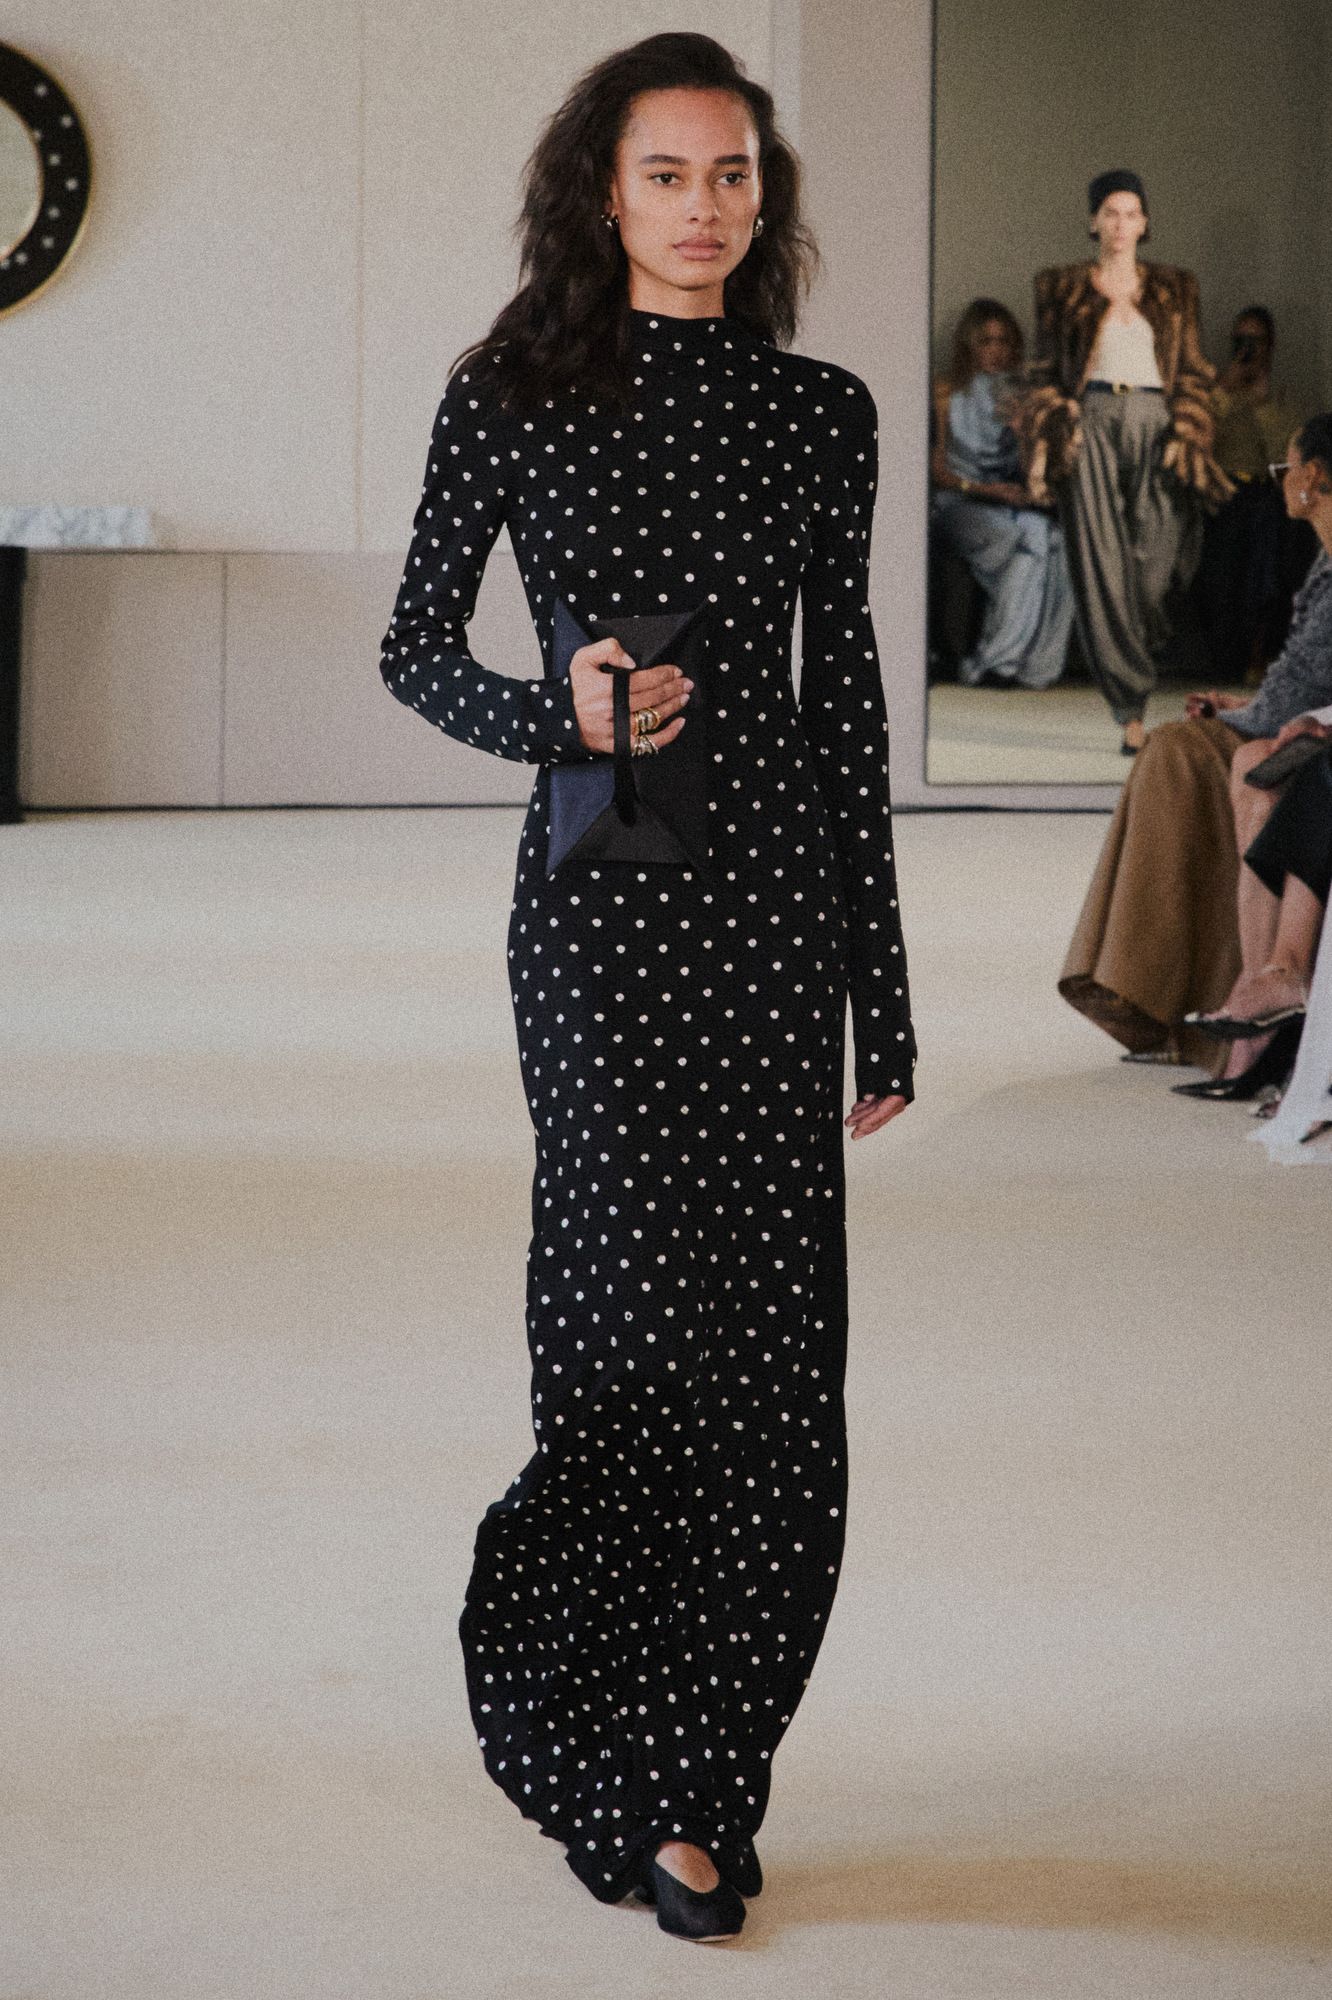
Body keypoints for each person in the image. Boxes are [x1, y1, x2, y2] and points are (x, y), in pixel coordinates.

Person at [377, 33, 916, 1943]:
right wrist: (563, 715)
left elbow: (843, 704)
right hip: (602, 919)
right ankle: (589, 1724)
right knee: (620, 1339)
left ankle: (696, 1778)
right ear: (599, 192)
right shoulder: (510, 393)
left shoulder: (820, 411)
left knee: (771, 1371)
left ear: (766, 197)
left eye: (734, 173)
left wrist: (881, 989)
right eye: (668, 172)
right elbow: (413, 651)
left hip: (771, 912)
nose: (705, 206)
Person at [1059, 417, 1332, 1066]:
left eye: (1284, 469)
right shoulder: (1324, 558)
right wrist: (1248, 707)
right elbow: (1303, 676)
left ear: (1313, 477)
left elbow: (1304, 683)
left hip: (1301, 731)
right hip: (1293, 722)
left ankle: (1207, 995)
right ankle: (1221, 992)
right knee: (1182, 753)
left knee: (1181, 757)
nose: (1280, 482)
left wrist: (1258, 713)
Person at [1012, 169, 1231, 755]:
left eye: (1131, 213)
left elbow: (1194, 372)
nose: (1119, 224)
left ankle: (1135, 653)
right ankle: (1131, 710)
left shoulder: (1175, 289)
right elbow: (1041, 372)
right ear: (1093, 221)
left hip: (1158, 425)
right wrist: (1058, 416)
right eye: (1109, 212)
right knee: (1100, 564)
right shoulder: (1062, 289)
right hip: (1091, 422)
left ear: (1145, 222)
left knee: (1157, 566)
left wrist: (1188, 426)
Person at [930, 299, 1073, 689]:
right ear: (969, 345)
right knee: (1024, 539)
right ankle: (996, 661)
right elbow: (937, 472)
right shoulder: (946, 392)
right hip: (959, 500)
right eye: (986, 341)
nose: (996, 350)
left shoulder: (1023, 396)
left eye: (1004, 341)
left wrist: (1024, 433)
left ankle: (1032, 666)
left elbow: (1031, 476)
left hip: (1008, 501)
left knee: (1054, 540)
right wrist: (984, 489)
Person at [1193, 307, 1311, 686]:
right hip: (1224, 492)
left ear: (1270, 347)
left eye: (1255, 342)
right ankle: (1224, 659)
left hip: (1265, 497)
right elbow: (1200, 438)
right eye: (1240, 341)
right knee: (1221, 567)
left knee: (1273, 554)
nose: (1247, 350)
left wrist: (1262, 404)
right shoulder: (1218, 392)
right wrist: (1228, 389)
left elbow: (1283, 458)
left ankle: (1260, 652)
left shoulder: (1281, 400)